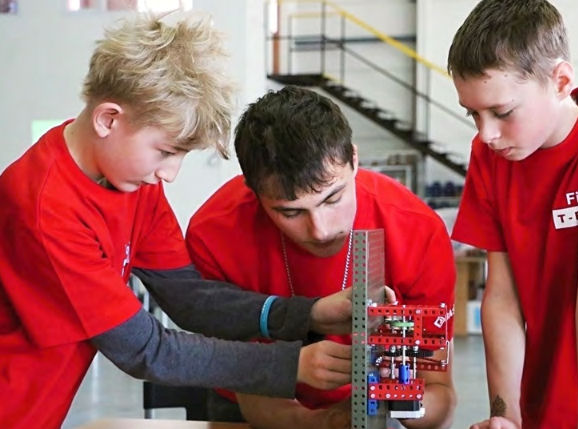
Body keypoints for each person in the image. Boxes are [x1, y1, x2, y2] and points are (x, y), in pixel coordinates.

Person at [0, 14, 356, 428]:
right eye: (166, 152)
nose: (170, 174)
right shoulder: (46, 207)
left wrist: (308, 314)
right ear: (108, 119)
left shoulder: (132, 182)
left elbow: (188, 297)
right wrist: (290, 364)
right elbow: (146, 350)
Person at [186, 85, 457, 429]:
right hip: (252, 406)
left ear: (354, 160)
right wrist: (328, 422)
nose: (320, 229)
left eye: (333, 199)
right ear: (253, 192)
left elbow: (439, 394)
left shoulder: (418, 231)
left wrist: (401, 398)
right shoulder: (214, 235)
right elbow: (250, 390)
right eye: (291, 212)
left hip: (375, 411)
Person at [446, 1, 578, 428]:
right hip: (544, 407)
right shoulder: (489, 158)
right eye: (473, 114)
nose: (487, 133)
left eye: (502, 112)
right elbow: (501, 299)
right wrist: (506, 414)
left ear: (560, 81)